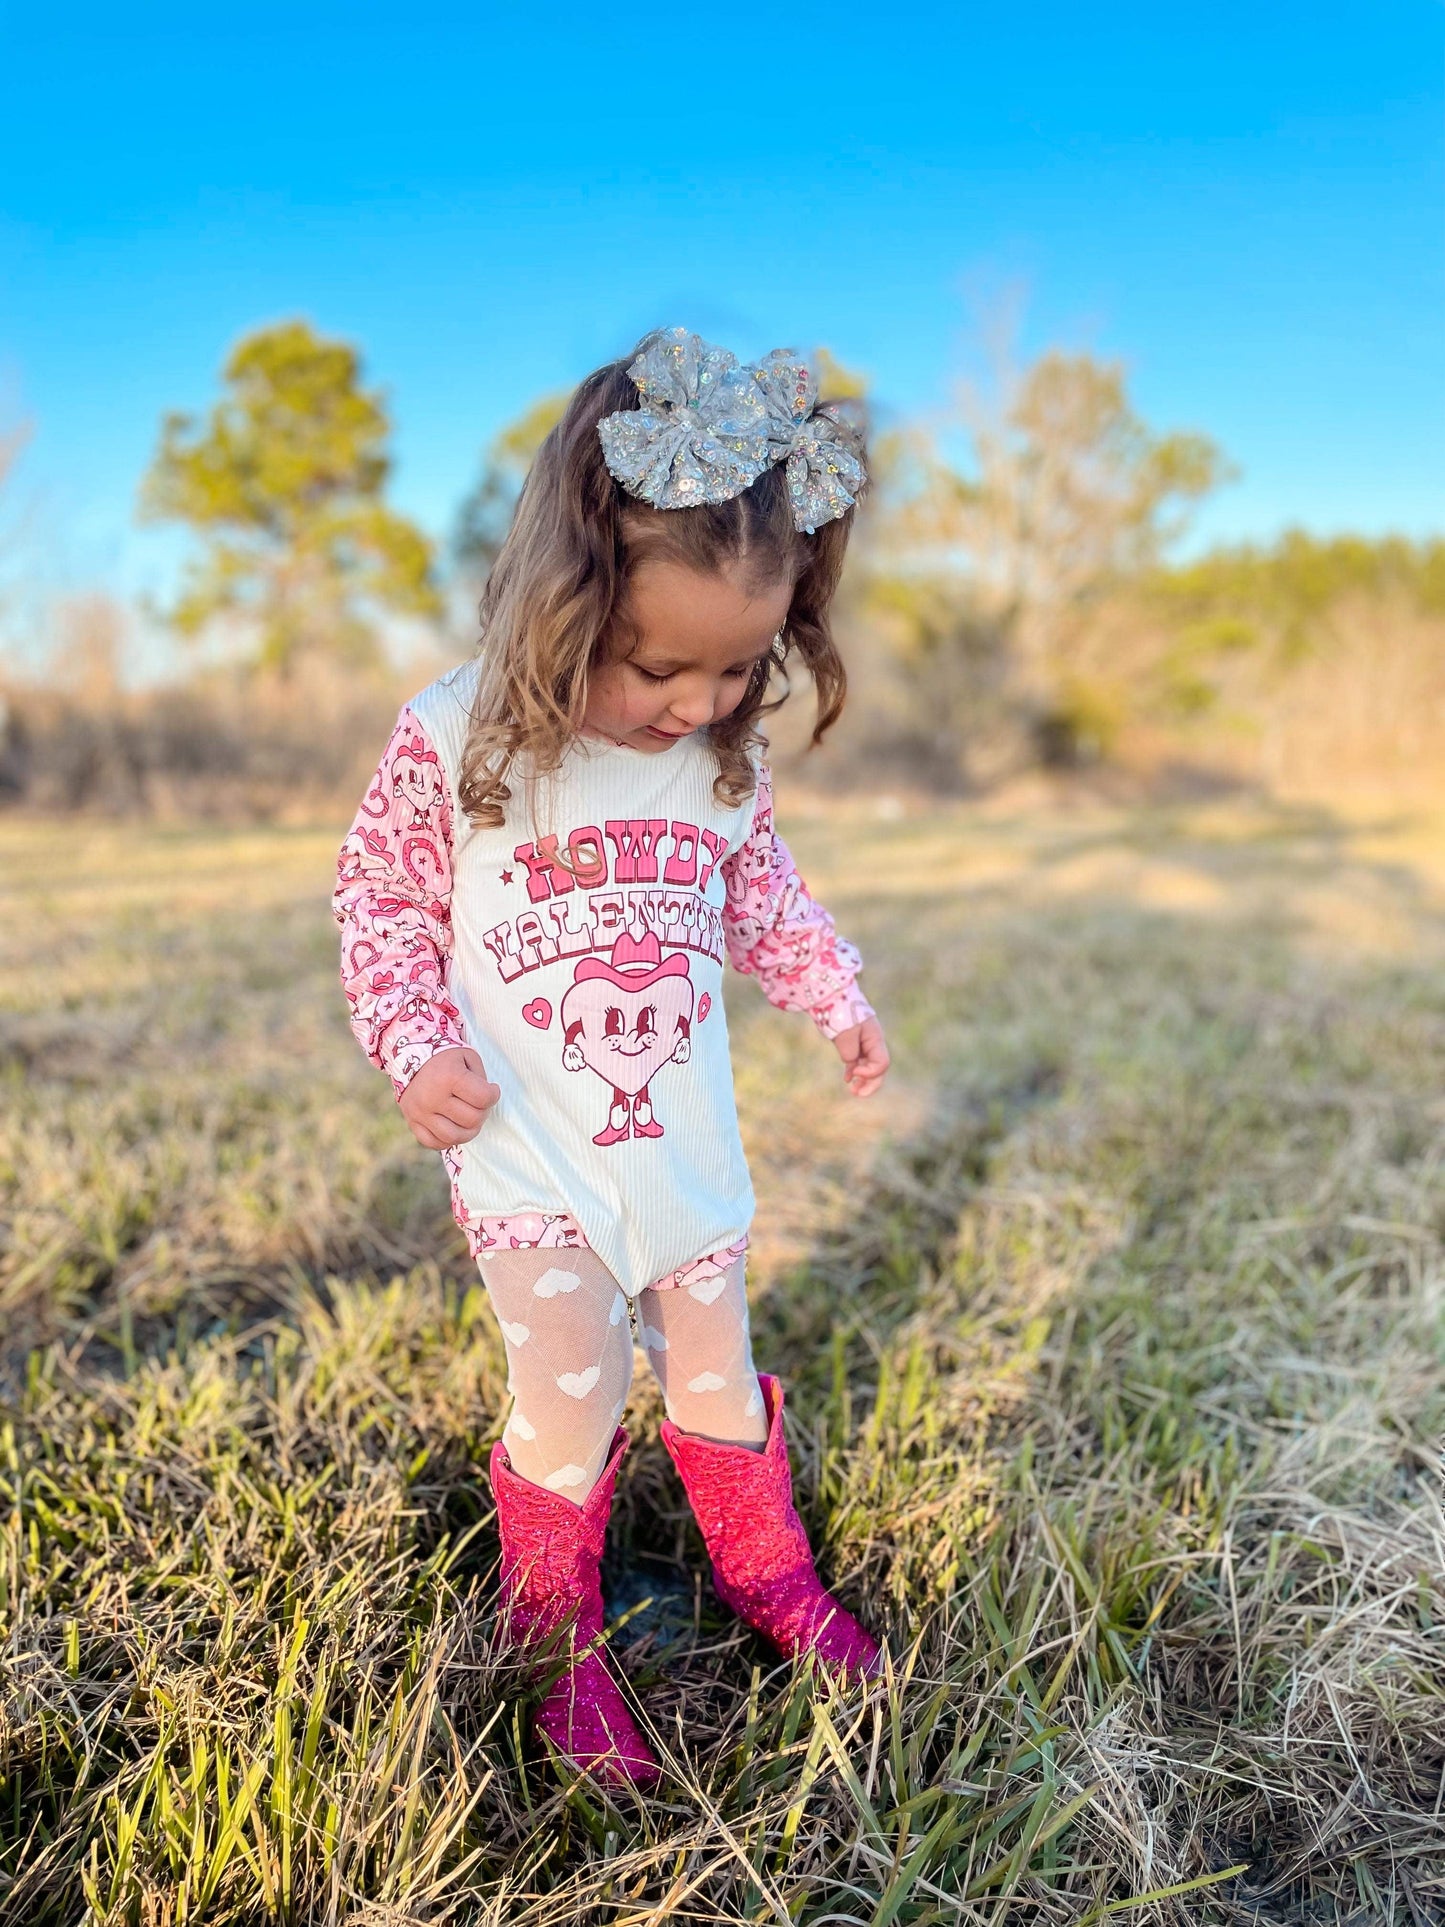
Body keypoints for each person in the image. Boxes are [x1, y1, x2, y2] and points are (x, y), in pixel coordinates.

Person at [333, 327, 891, 1790]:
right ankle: (550, 1633)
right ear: (562, 600)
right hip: (528, 1151)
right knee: (573, 1389)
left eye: (734, 668)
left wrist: (830, 992)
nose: (695, 703)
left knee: (714, 1363)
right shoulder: (459, 742)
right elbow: (380, 900)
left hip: (679, 1145)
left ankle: (765, 1574)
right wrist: (412, 1042)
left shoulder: (717, 760)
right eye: (658, 664)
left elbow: (756, 888)